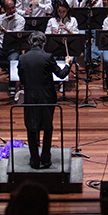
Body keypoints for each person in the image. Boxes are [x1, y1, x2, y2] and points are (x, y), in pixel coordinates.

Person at [17, 32, 73, 168]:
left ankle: (34, 160)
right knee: (47, 127)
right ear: (43, 43)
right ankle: (46, 159)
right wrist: (67, 64)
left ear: (30, 43)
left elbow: (22, 79)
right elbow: (61, 75)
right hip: (47, 97)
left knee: (31, 127)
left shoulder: (22, 58)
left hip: (30, 97)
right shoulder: (48, 57)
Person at [0, 0, 26, 96]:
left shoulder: (20, 19)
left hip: (13, 49)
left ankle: (12, 86)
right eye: (9, 9)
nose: (12, 10)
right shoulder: (0, 18)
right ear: (4, 10)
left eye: (13, 8)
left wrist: (1, 28)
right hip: (1, 49)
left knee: (13, 61)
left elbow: (14, 35)